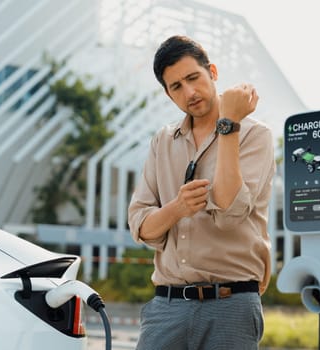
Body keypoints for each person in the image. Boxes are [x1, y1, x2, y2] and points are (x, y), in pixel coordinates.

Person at [128, 35, 276, 350]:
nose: (189, 92)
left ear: (213, 72)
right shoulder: (163, 142)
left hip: (231, 306)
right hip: (166, 307)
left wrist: (229, 125)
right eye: (176, 87)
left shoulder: (256, 135)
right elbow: (140, 225)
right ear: (168, 94)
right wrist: (177, 208)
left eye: (193, 78)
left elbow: (228, 212)